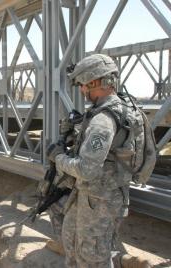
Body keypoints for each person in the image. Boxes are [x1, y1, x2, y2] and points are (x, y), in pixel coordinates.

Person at [46, 54, 151, 268]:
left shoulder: (103, 121)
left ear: (97, 81)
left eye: (84, 85)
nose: (83, 91)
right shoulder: (122, 108)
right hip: (95, 195)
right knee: (72, 241)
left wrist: (58, 157)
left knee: (92, 257)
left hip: (99, 199)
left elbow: (86, 169)